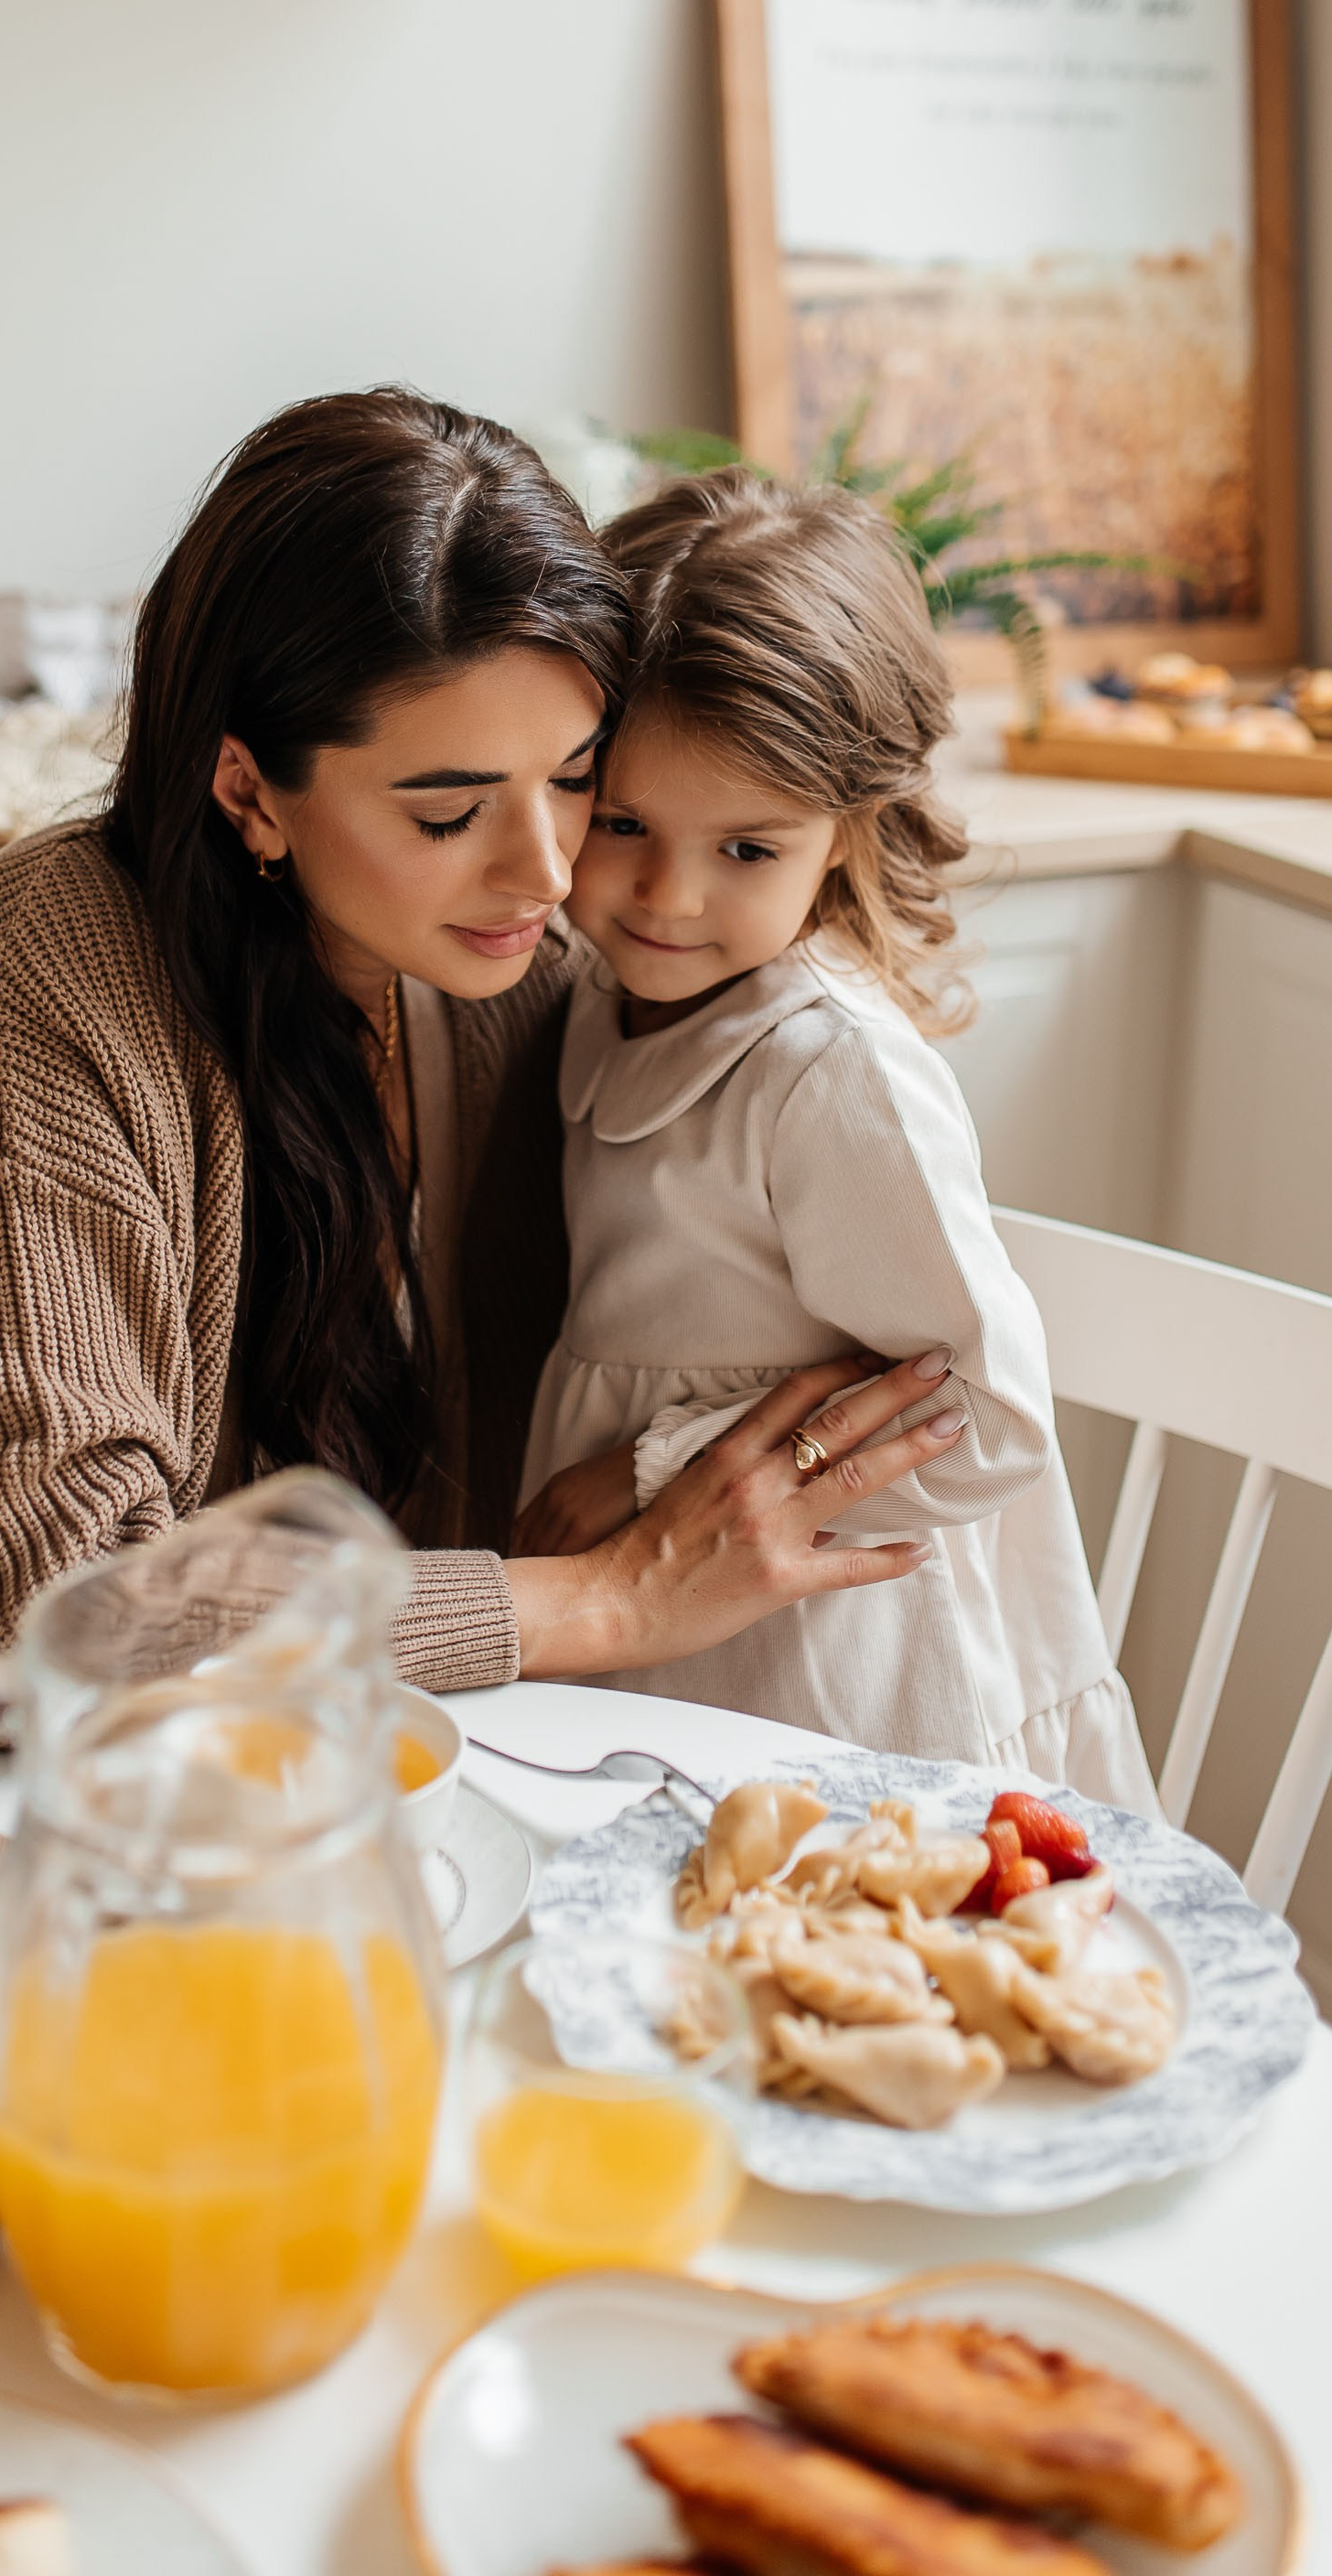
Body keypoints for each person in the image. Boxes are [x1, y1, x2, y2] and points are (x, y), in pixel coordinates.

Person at [0, 396, 964, 1785]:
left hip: (217, 1800)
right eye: (449, 811)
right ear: (247, 790)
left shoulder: (516, 977)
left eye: (575, 779)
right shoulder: (37, 978)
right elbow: (51, 1629)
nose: (547, 870)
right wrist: (599, 1602)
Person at [514, 469, 1158, 1804]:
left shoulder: (829, 1072)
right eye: (622, 824)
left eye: (748, 849)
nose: (666, 897)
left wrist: (651, 1480)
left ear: (848, 833)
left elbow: (986, 1417)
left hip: (823, 1667)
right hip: (656, 1625)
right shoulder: (601, 992)